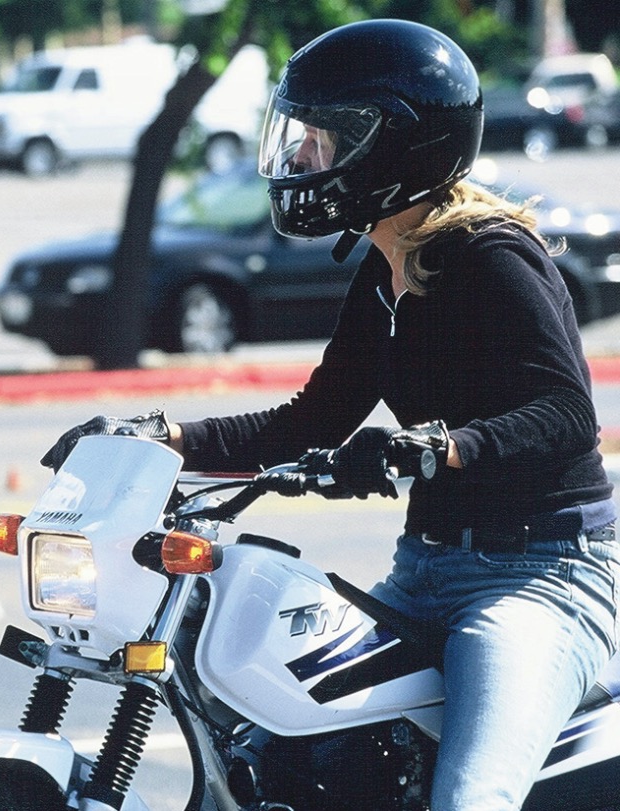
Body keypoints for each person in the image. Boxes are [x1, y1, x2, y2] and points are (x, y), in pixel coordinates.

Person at [41, 19, 619, 811]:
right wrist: (160, 436)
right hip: (427, 569)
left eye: (325, 139)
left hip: (542, 576)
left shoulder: (492, 257)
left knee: (470, 800)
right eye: (300, 136)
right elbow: (309, 422)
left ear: (399, 146)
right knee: (280, 752)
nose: (301, 158)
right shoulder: (382, 275)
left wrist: (434, 448)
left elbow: (562, 411)